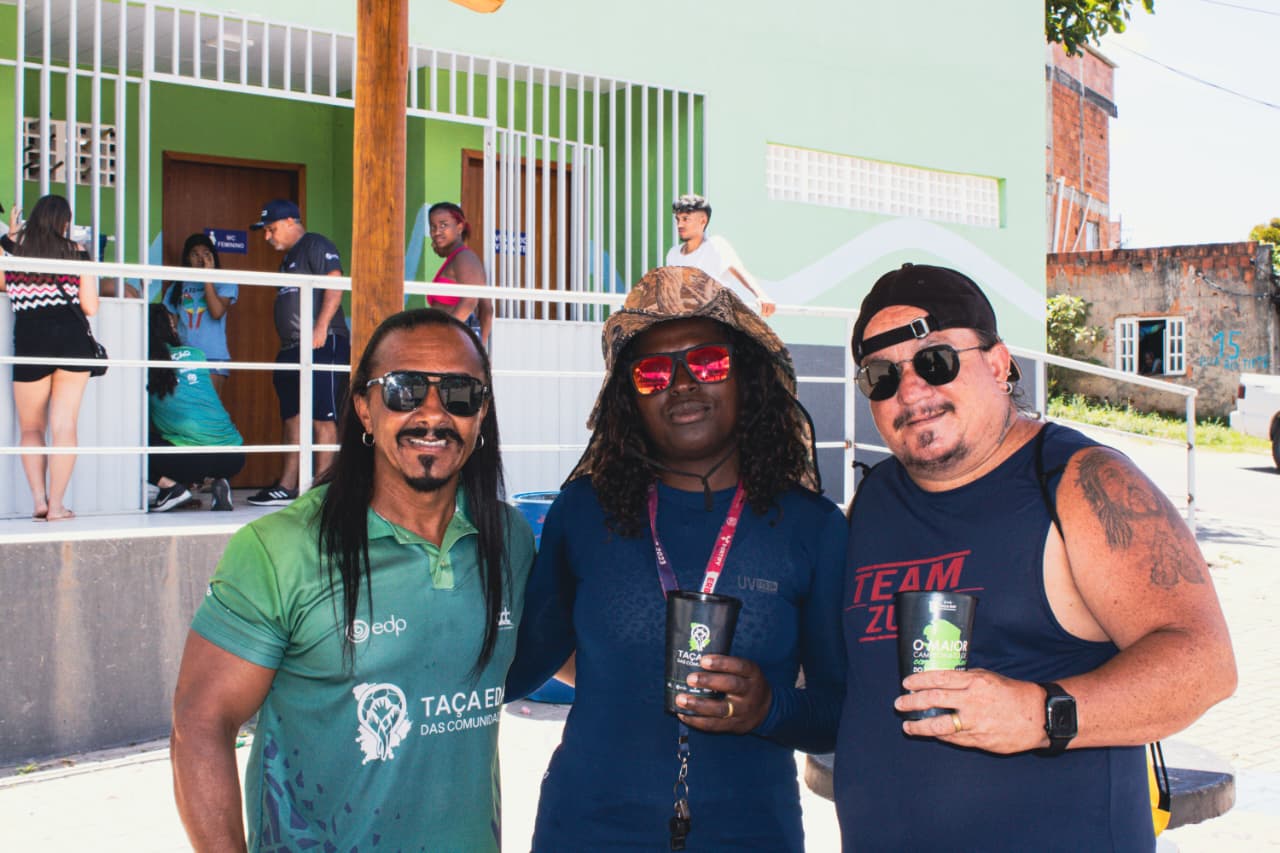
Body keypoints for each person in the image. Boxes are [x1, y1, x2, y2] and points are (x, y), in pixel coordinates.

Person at [836, 263, 1236, 850]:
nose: (912, 391)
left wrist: (1038, 714)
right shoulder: (873, 500)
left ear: (999, 365)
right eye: (881, 376)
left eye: (935, 361)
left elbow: (1205, 664)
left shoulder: (1081, 482)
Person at [507, 266, 846, 851]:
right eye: (653, 373)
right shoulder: (583, 512)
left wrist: (769, 707)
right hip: (586, 829)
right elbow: (520, 664)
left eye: (709, 362)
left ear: (747, 377)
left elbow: (835, 715)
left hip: (752, 834)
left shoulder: (812, 528)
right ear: (628, 399)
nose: (683, 383)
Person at [170, 308, 535, 851]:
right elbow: (200, 723)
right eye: (405, 390)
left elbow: (581, 656)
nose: (432, 413)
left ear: (481, 413)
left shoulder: (508, 541)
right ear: (365, 408)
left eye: (460, 394)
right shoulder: (280, 549)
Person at [0, 194, 99, 522]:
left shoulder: (14, 253)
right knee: (64, 425)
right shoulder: (77, 253)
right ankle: (57, 506)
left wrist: (10, 237)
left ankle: (39, 502)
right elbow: (90, 306)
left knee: (31, 428)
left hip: (31, 342)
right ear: (64, 222)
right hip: (72, 343)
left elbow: (3, 283)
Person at [246, 199, 349, 506]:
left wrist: (321, 328)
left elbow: (335, 283)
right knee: (293, 417)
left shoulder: (315, 244)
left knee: (322, 416)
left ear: (291, 221)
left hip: (323, 343)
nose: (267, 237)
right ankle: (287, 485)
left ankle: (323, 490)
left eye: (271, 229)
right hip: (292, 348)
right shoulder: (289, 257)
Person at [146, 303, 245, 512]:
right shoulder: (196, 354)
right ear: (171, 329)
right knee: (186, 432)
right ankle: (220, 480)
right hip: (234, 456)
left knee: (133, 442)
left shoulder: (144, 365)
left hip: (191, 459)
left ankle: (170, 488)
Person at [665, 193, 776, 317]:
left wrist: (761, 295)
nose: (680, 225)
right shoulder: (673, 254)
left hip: (714, 321)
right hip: (683, 321)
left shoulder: (716, 245)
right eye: (678, 219)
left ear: (703, 221)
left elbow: (741, 271)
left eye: (686, 219)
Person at [162, 233, 237, 398]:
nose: (200, 259)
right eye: (195, 254)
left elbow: (217, 312)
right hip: (184, 356)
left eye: (205, 253)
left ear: (213, 256)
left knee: (208, 407)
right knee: (187, 407)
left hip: (212, 355)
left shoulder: (224, 281)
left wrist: (208, 277)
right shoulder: (177, 285)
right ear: (187, 258)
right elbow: (172, 326)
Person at [427, 201, 493, 346]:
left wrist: (444, 336)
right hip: (455, 339)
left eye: (443, 225)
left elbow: (471, 303)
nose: (437, 232)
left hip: (454, 340)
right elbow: (487, 310)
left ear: (459, 227)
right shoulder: (458, 257)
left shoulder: (464, 258)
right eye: (433, 227)